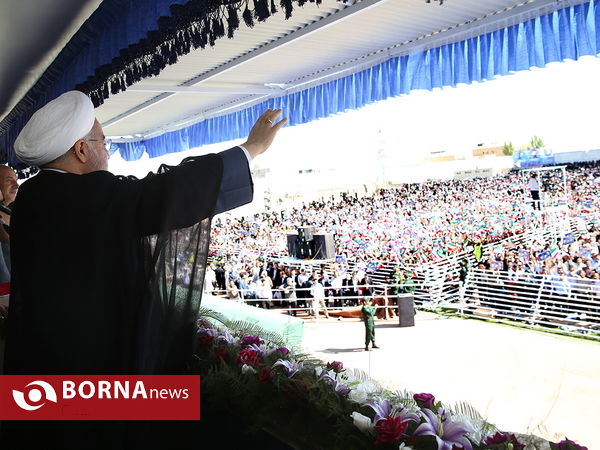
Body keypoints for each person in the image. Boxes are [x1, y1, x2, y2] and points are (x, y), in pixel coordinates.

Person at [1, 90, 286, 450]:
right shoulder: (86, 196)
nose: (107, 151)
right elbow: (164, 192)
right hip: (86, 365)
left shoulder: (33, 195)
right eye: (102, 142)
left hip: (41, 355)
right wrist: (250, 150)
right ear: (81, 150)